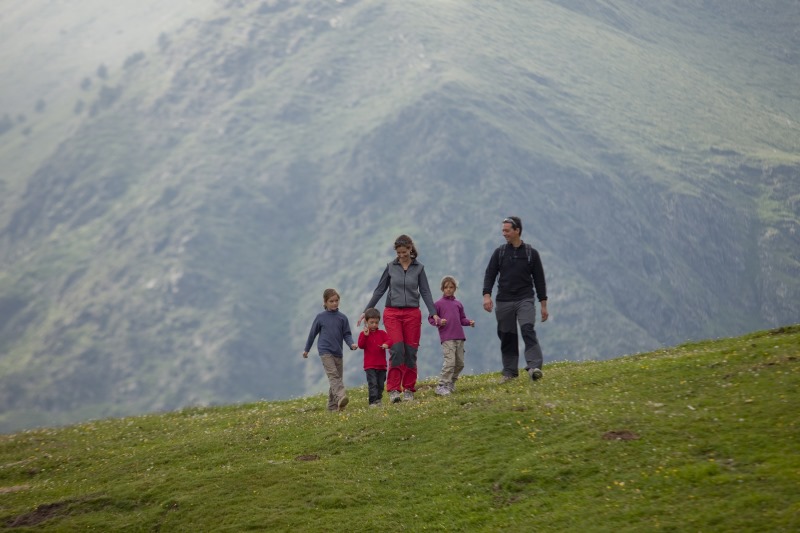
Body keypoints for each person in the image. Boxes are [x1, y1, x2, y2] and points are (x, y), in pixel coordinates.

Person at [358, 234, 439, 403]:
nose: (401, 255)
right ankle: (394, 389)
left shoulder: (419, 268)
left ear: (410, 249)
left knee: (410, 351)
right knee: (396, 349)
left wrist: (433, 312)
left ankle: (409, 388)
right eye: (398, 252)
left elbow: (425, 291)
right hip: (392, 313)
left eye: (404, 252)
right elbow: (379, 291)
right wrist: (366, 311)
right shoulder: (390, 267)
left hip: (412, 313)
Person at [482, 216, 549, 383]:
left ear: (517, 230)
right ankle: (510, 372)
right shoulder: (500, 252)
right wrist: (486, 295)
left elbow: (539, 280)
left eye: (507, 230)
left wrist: (543, 305)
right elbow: (490, 274)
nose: (503, 233)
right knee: (507, 336)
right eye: (503, 230)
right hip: (504, 300)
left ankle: (534, 367)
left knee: (527, 330)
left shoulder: (531, 253)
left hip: (525, 299)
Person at [303, 288, 358, 411]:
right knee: (334, 376)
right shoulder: (320, 317)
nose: (334, 303)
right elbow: (312, 334)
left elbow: (347, 334)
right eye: (331, 301)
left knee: (337, 378)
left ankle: (333, 408)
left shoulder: (342, 318)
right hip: (325, 351)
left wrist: (351, 344)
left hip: (338, 352)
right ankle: (341, 396)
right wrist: (306, 350)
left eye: (336, 300)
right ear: (325, 302)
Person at [428, 276, 475, 396]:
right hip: (447, 338)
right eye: (446, 287)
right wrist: (439, 322)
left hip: (459, 337)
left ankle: (450, 383)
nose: (448, 289)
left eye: (451, 287)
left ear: (455, 288)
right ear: (442, 289)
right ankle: (441, 386)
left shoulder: (458, 304)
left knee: (460, 363)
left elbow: (462, 319)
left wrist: (469, 322)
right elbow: (431, 318)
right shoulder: (438, 304)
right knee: (450, 362)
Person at [358, 308, 392, 407]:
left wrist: (386, 344)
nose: (374, 325)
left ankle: (378, 399)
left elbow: (390, 341)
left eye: (376, 323)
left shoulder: (382, 333)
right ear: (366, 322)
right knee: (373, 384)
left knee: (381, 384)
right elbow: (361, 345)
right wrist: (365, 335)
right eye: (371, 322)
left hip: (381, 365)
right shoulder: (363, 334)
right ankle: (372, 402)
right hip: (370, 365)